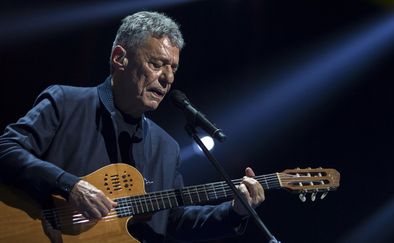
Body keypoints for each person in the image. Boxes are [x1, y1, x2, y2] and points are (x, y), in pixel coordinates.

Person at [0, 11, 265, 242]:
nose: (167, 78)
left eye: (173, 68)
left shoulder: (165, 148)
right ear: (119, 58)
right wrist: (71, 186)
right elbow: (6, 149)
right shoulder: (66, 102)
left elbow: (175, 221)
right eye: (156, 64)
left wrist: (234, 211)